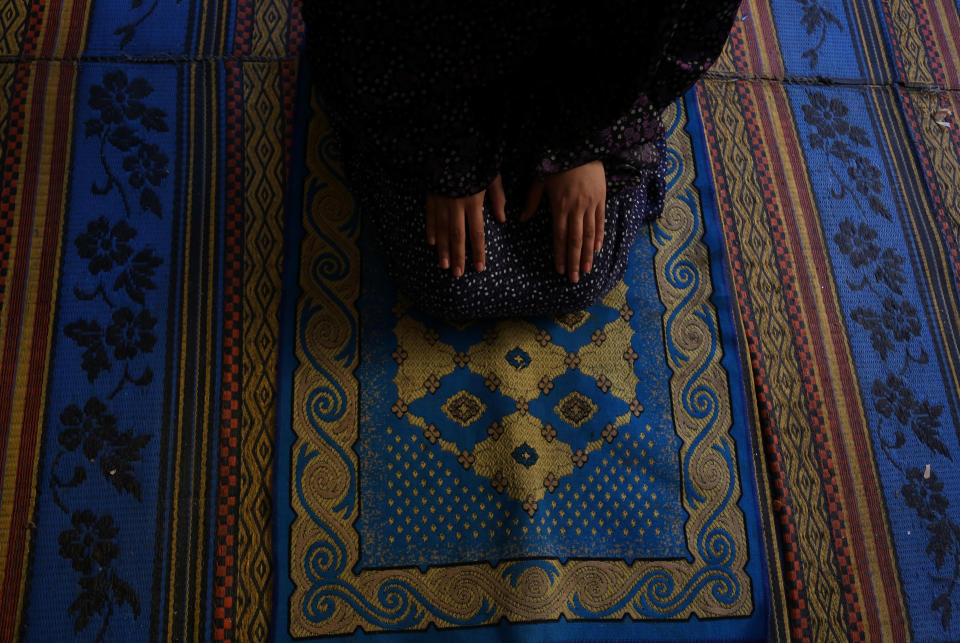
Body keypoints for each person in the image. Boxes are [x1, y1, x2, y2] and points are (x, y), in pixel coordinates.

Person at [303, 2, 741, 319]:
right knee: (455, 284)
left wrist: (583, 141)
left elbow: (692, 28)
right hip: (426, 67)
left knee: (574, 275)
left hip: (589, 69)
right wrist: (450, 156)